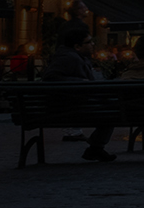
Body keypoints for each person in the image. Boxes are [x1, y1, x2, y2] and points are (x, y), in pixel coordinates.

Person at [43, 26, 115, 161]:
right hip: (70, 109)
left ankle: (95, 148)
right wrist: (81, 81)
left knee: (111, 109)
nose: (93, 44)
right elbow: (50, 78)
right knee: (112, 111)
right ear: (77, 46)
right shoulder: (70, 58)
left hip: (70, 106)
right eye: (89, 42)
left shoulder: (73, 57)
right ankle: (95, 148)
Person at [57, 1, 93, 142]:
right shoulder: (82, 27)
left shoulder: (64, 26)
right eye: (84, 7)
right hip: (77, 64)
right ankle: (75, 131)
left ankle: (72, 130)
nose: (86, 9)